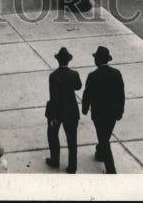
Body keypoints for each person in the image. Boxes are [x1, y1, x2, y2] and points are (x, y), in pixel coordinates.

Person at [82, 46, 125, 174]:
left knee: (104, 139)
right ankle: (100, 152)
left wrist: (85, 108)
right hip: (112, 113)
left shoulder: (92, 76)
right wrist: (120, 110)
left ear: (98, 60)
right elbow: (121, 94)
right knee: (105, 136)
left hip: (98, 114)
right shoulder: (116, 73)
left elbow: (87, 94)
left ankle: (111, 170)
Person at [45, 46, 82, 174]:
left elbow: (53, 97)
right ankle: (72, 166)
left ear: (58, 61)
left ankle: (55, 159)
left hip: (58, 111)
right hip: (72, 110)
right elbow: (78, 87)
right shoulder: (74, 74)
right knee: (72, 139)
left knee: (52, 135)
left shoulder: (53, 76)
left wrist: (52, 116)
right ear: (68, 61)